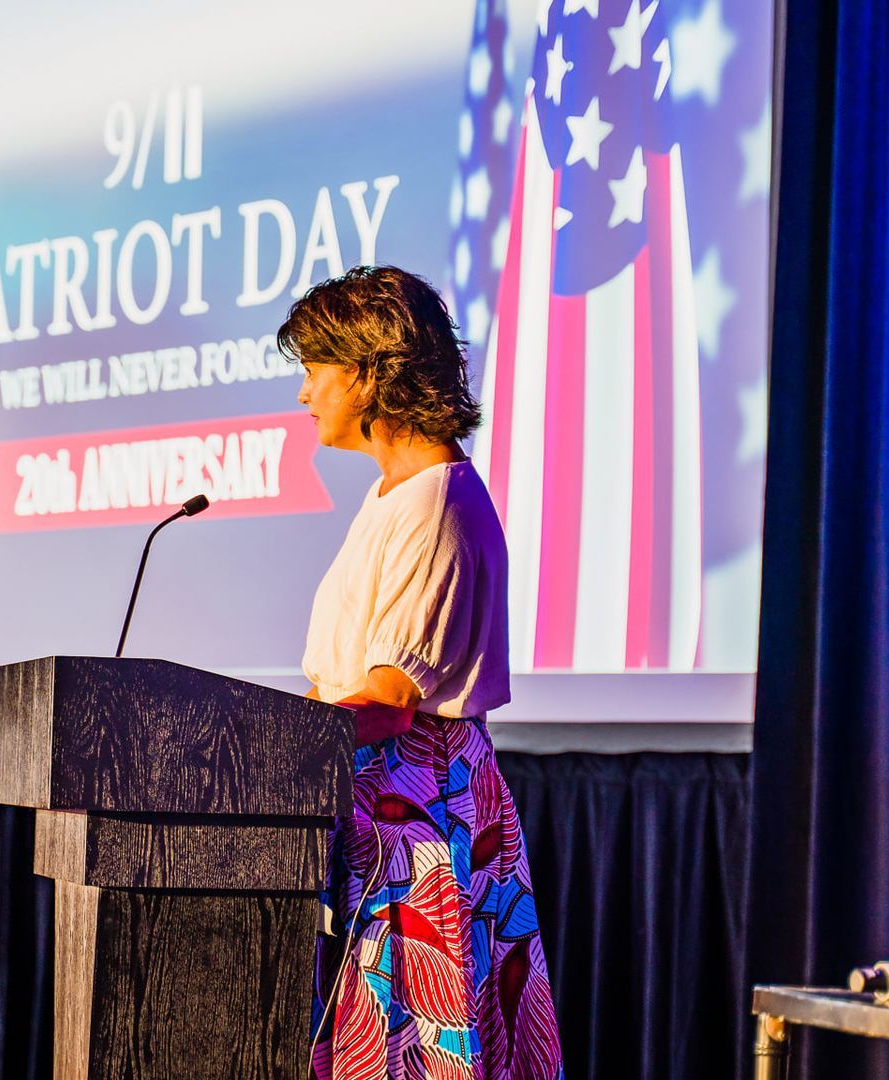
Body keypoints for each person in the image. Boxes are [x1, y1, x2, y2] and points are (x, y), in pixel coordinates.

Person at [283, 266, 564, 1080]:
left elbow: (389, 701)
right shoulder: (390, 497)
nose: (305, 395)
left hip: (420, 818)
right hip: (379, 809)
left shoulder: (437, 501)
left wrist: (277, 745)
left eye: (314, 370)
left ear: (369, 374)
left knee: (415, 1051)